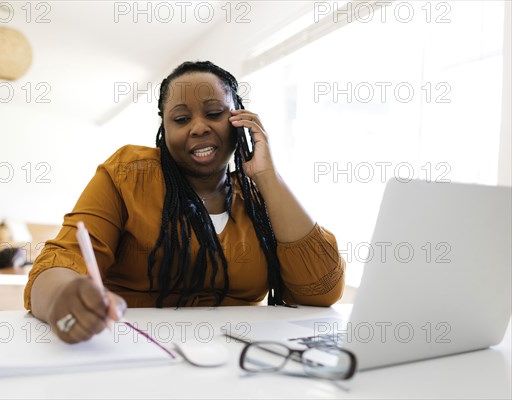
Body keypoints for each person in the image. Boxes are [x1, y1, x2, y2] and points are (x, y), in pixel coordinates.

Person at [24, 61, 346, 344]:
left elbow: (321, 291)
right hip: (133, 353)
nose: (199, 127)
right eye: (180, 119)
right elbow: (59, 263)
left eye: (214, 113)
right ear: (163, 130)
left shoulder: (260, 198)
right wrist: (61, 300)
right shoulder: (126, 175)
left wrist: (268, 177)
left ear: (240, 119)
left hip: (237, 361)